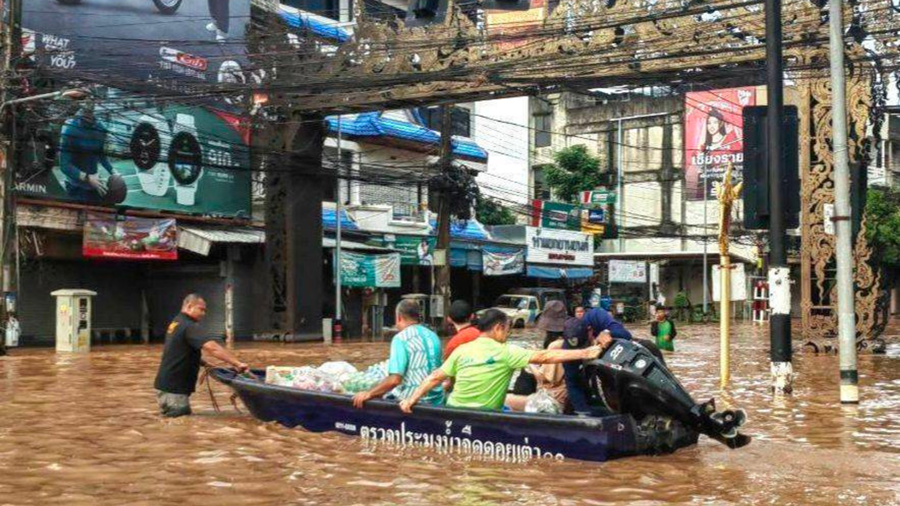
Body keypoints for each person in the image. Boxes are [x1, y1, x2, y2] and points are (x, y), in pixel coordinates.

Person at [398, 309, 602, 413]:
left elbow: (434, 377)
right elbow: (544, 356)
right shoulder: (507, 352)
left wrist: (411, 400)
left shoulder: (462, 349)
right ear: (498, 328)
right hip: (485, 416)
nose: (508, 334)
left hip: (454, 410)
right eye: (507, 329)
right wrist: (586, 353)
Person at [154, 294, 249, 418]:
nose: (203, 313)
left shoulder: (176, 323)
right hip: (174, 390)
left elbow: (180, 351)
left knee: (172, 423)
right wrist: (237, 363)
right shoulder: (189, 326)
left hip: (166, 387)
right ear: (189, 306)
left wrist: (204, 363)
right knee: (180, 430)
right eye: (201, 309)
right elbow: (212, 348)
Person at [352, 299, 443, 408]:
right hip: (438, 400)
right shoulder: (433, 336)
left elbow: (394, 380)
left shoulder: (401, 338)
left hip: (414, 402)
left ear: (398, 317)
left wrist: (369, 393)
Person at [59, 102, 117, 203]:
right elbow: (65, 165)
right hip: (75, 186)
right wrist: (87, 177)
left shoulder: (100, 128)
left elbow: (100, 153)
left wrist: (113, 171)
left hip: (94, 183)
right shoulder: (70, 131)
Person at [504, 322, 569, 412]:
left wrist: (530, 362)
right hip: (558, 397)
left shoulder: (556, 346)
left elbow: (543, 378)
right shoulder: (569, 344)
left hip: (552, 401)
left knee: (504, 399)